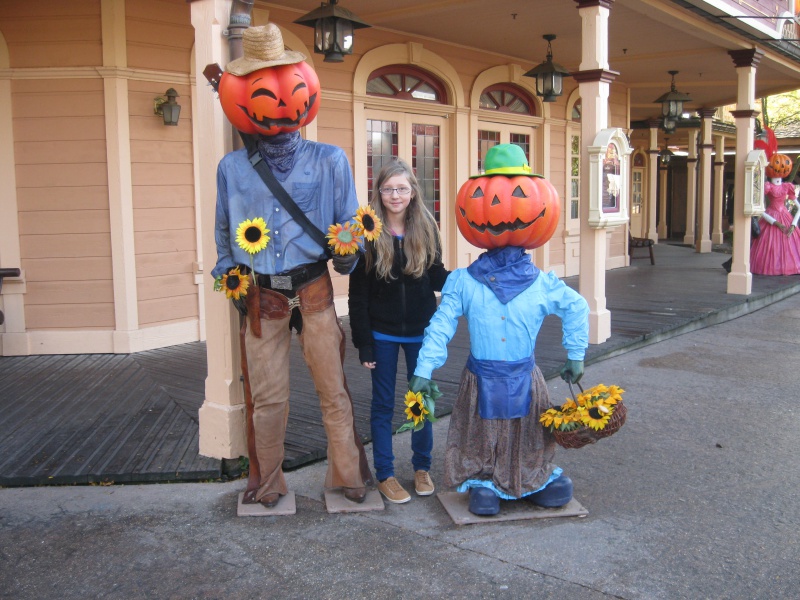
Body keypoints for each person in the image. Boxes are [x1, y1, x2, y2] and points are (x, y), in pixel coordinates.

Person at [211, 24, 373, 509]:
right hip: (263, 294)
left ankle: (346, 474)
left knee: (332, 389)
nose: (281, 101)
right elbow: (224, 233)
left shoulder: (330, 161)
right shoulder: (232, 169)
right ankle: (268, 482)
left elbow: (349, 225)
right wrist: (230, 275)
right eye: (262, 88)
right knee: (268, 398)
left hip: (314, 288)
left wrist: (348, 250)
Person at [408, 144, 589, 516]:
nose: (500, 210)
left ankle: (531, 477)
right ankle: (486, 479)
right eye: (483, 197)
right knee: (482, 436)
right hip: (482, 378)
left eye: (520, 194)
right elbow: (440, 325)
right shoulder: (463, 282)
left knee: (529, 435)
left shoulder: (542, 283)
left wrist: (576, 353)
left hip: (525, 376)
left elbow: (577, 307)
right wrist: (424, 370)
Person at [348, 159, 449, 504]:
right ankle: (386, 474)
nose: (395, 195)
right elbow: (357, 296)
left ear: (412, 192)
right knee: (383, 405)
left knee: (420, 402)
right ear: (379, 192)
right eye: (389, 188)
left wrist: (467, 281)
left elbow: (436, 277)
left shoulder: (427, 227)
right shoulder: (367, 233)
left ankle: (422, 468)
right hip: (383, 334)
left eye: (402, 188)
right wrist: (364, 344)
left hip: (422, 332)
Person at [750, 176, 800, 275]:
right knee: (767, 244)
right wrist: (774, 222)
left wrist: (793, 224)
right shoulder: (768, 186)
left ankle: (788, 267)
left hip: (785, 217)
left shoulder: (787, 186)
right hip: (771, 216)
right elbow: (758, 208)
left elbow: (799, 208)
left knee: (789, 243)